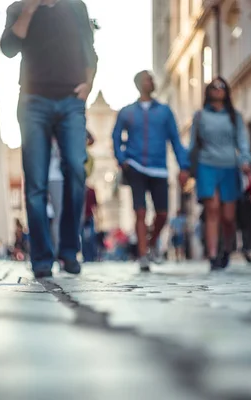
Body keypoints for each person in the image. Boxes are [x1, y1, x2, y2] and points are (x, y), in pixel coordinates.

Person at [0, 0, 97, 278]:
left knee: (76, 171)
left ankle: (68, 250)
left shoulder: (75, 6)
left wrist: (88, 84)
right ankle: (41, 256)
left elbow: (89, 49)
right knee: (36, 182)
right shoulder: (18, 8)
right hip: (33, 102)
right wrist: (30, 10)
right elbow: (8, 49)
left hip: (71, 101)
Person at [112, 71, 190, 272]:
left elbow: (175, 140)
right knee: (140, 211)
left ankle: (152, 242)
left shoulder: (164, 111)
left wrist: (184, 166)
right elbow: (115, 136)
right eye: (148, 79)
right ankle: (142, 255)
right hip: (135, 166)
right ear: (139, 84)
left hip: (159, 168)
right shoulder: (127, 112)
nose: (153, 81)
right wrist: (122, 159)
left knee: (162, 214)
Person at [190, 77, 251, 270]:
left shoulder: (235, 116)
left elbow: (242, 141)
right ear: (208, 91)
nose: (218, 90)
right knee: (212, 210)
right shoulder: (199, 116)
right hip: (206, 165)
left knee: (228, 217)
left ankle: (226, 248)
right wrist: (186, 168)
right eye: (214, 87)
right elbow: (193, 144)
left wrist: (245, 159)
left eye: (222, 86)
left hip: (229, 167)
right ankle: (212, 254)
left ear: (226, 91)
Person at [48, 139, 63, 256]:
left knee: (58, 219)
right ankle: (57, 250)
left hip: (59, 178)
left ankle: (58, 249)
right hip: (53, 178)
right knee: (57, 220)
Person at [82, 185, 98, 262]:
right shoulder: (81, 190)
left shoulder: (91, 191)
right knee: (83, 239)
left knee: (91, 237)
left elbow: (95, 205)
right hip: (82, 217)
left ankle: (92, 256)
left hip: (89, 217)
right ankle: (86, 257)